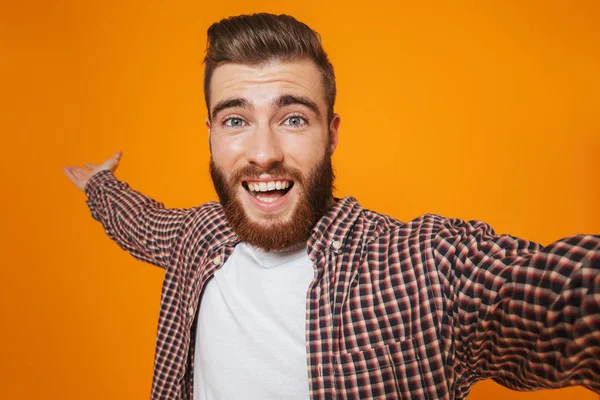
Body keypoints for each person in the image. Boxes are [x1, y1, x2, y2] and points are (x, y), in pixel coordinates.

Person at [63, 12, 599, 400]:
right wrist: (100, 186)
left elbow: (567, 297)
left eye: (293, 118)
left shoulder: (424, 266)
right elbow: (140, 223)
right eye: (235, 120)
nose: (264, 152)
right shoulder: (197, 236)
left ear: (331, 134)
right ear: (210, 135)